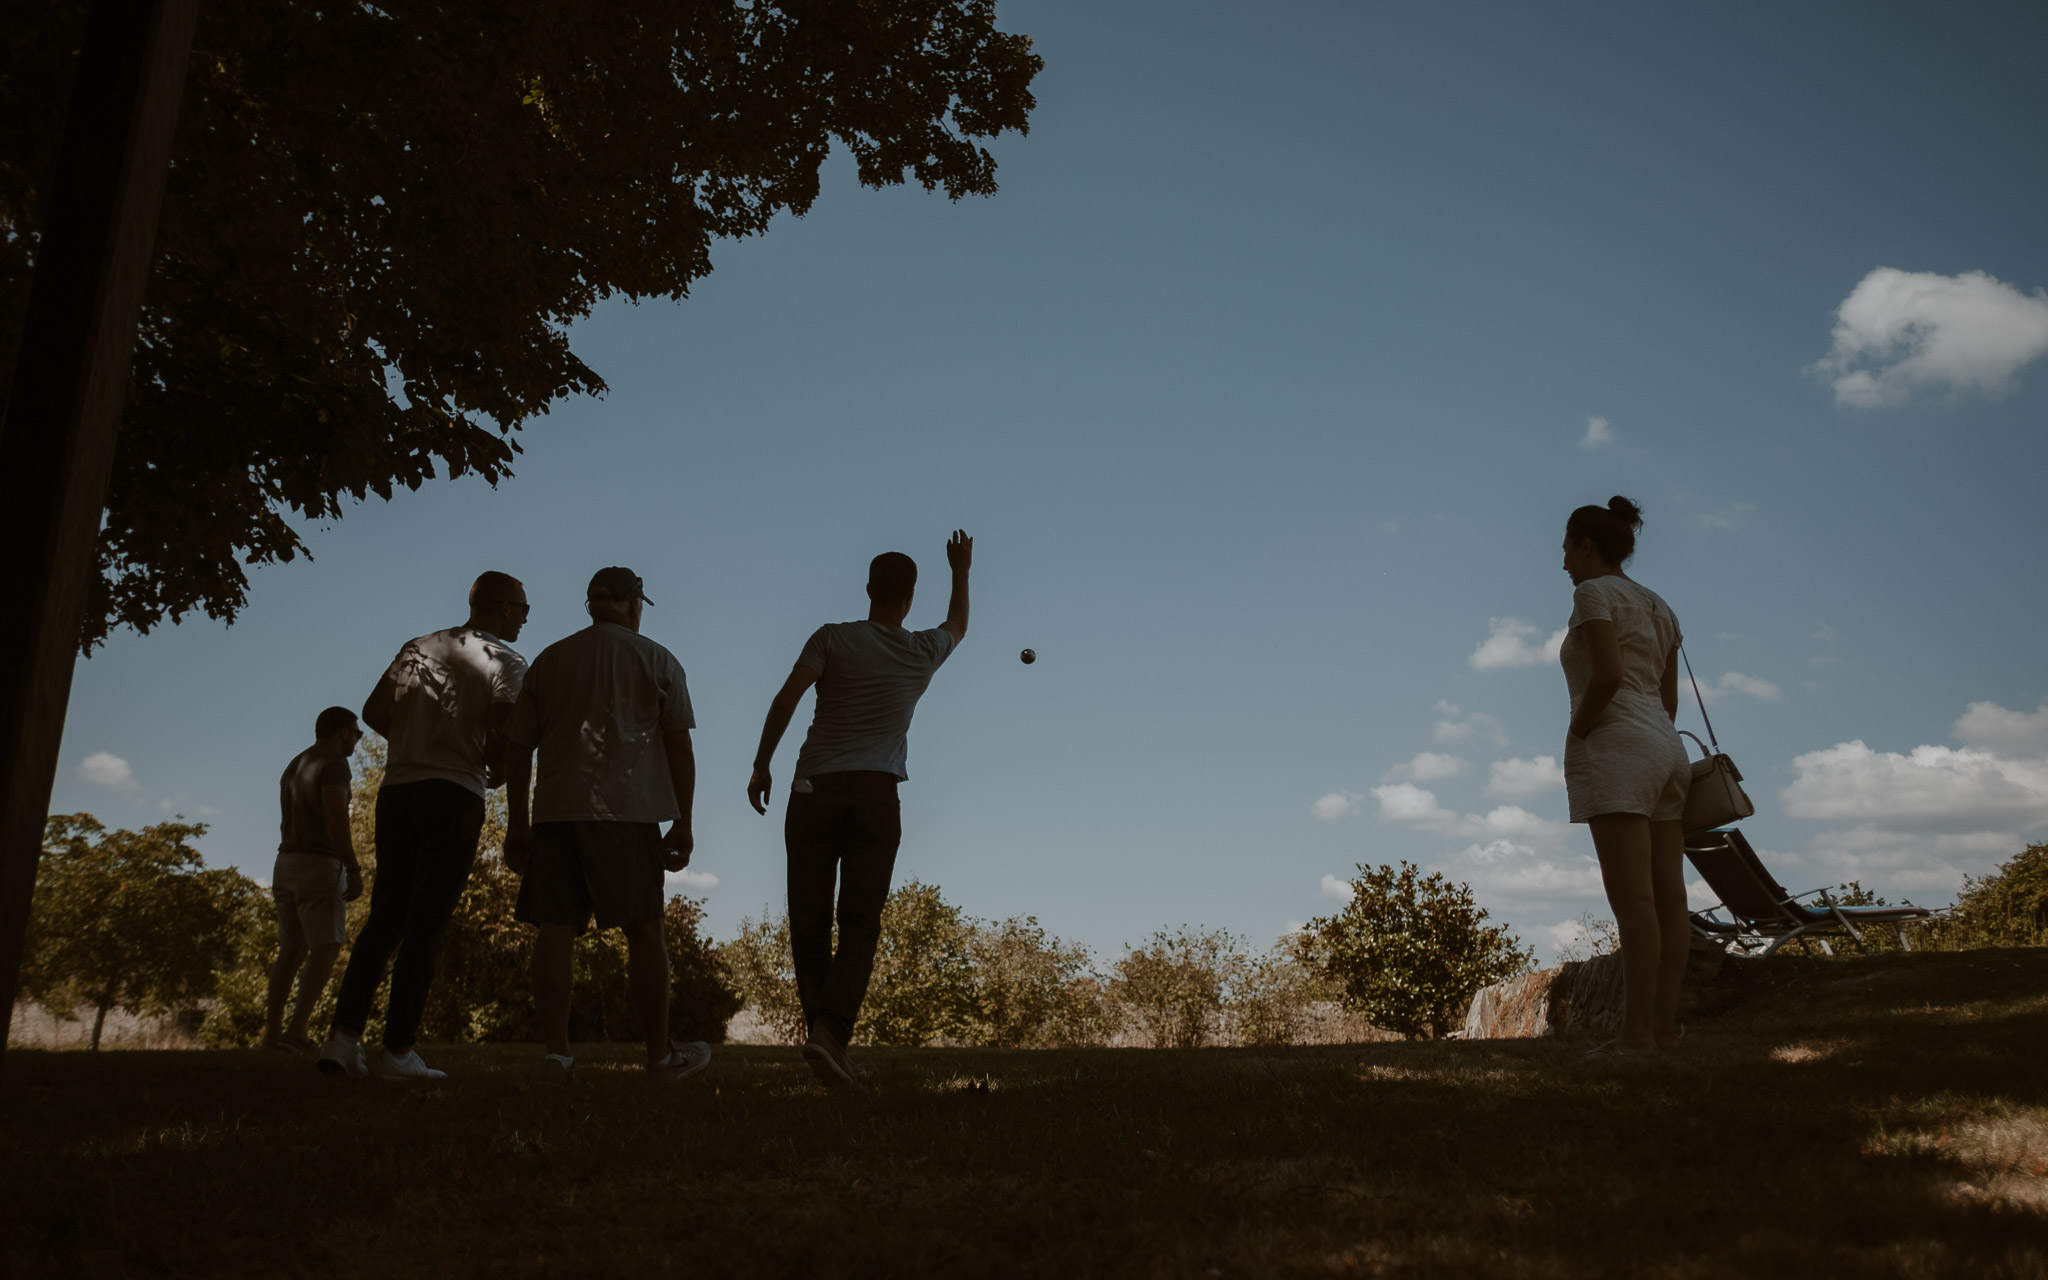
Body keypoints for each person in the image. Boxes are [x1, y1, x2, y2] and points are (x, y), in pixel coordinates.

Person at [748, 531, 972, 1084]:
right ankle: (830, 1035)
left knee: (809, 918)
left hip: (811, 791)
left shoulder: (832, 638)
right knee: (859, 923)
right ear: (910, 596)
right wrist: (961, 570)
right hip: (876, 796)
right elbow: (959, 625)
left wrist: (761, 764)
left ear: (868, 588)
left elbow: (786, 699)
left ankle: (822, 1036)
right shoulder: (921, 650)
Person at [318, 571, 530, 1081]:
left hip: (397, 791)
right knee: (427, 922)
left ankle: (342, 1040)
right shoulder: (504, 659)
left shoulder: (417, 646)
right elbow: (505, 726)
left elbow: (372, 710)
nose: (525, 617)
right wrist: (494, 766)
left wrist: (415, 739)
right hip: (453, 792)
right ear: (501, 607)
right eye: (523, 608)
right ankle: (397, 1050)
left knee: (386, 916)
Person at [503, 567, 710, 1084]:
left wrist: (516, 822)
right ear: (631, 603)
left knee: (555, 928)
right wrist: (683, 822)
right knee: (644, 929)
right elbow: (679, 745)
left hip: (555, 809)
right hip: (628, 811)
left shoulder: (549, 661)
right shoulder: (657, 658)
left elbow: (518, 747)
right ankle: (660, 1058)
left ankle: (558, 1054)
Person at [1558, 496, 1691, 1057]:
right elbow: (1668, 698)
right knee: (1670, 899)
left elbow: (1608, 674)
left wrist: (1581, 731)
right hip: (1665, 746)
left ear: (1587, 544)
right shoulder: (1659, 605)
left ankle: (1635, 1035)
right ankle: (1663, 1027)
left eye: (1566, 547)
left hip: (1617, 744)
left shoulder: (1592, 593)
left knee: (1632, 899)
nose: (1563, 560)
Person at [264, 706, 365, 1052]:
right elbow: (335, 815)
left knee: (290, 949)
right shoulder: (334, 764)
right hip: (319, 864)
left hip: (285, 861)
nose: (357, 739)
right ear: (342, 732)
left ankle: (271, 1034)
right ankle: (297, 1031)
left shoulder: (296, 763)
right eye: (357, 732)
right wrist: (352, 866)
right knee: (327, 946)